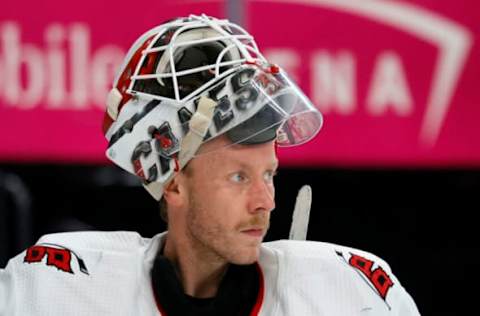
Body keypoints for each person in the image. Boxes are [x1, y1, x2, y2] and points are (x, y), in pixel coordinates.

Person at [0, 14, 420, 315]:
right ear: (174, 183)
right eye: (239, 177)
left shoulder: (351, 291)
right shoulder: (58, 284)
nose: (266, 202)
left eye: (269, 174)